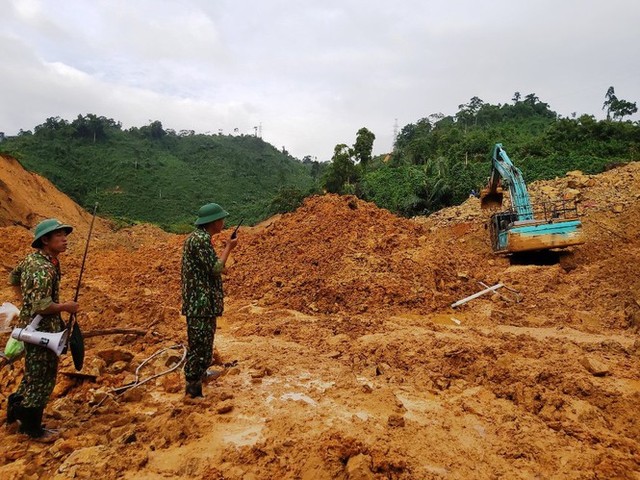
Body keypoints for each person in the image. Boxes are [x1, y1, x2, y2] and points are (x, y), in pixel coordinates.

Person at [6, 218, 79, 440]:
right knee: (43, 377)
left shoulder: (34, 260)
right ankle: (31, 427)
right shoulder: (43, 268)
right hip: (42, 331)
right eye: (59, 236)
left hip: (31, 327)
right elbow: (42, 305)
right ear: (45, 240)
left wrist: (24, 304)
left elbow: (13, 277)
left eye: (65, 235)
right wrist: (67, 306)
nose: (65, 240)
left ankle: (15, 410)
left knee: (32, 373)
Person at [181, 203, 237, 398]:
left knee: (201, 342)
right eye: (221, 219)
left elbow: (212, 267)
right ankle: (193, 390)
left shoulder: (197, 238)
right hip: (201, 304)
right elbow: (215, 268)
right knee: (201, 346)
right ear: (213, 222)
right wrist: (229, 247)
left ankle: (200, 375)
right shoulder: (201, 240)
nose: (223, 222)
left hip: (200, 303)